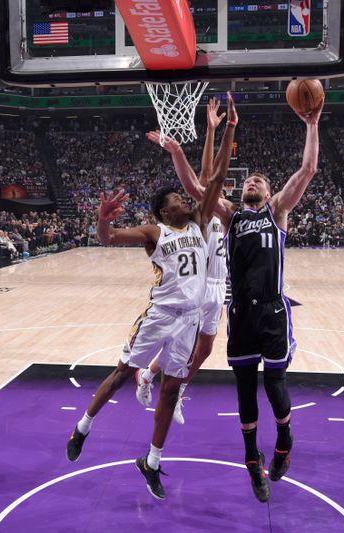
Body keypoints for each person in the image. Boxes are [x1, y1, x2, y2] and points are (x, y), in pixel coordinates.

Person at [66, 93, 237, 501]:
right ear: (163, 211)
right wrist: (102, 221)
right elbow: (108, 239)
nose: (185, 199)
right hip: (160, 314)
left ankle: (153, 461)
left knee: (171, 389)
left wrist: (228, 129)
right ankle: (83, 427)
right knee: (124, 373)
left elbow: (212, 179)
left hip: (190, 319)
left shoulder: (200, 220)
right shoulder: (153, 232)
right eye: (176, 198)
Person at [206, 93, 325, 502]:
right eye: (249, 180)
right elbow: (201, 185)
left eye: (261, 179)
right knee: (243, 390)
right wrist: (211, 133)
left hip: (273, 311)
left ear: (270, 191)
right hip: (239, 313)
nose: (253, 180)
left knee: (274, 384)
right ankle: (251, 461)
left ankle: (284, 442)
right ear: (241, 192)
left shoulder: (276, 211)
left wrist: (311, 125)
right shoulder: (231, 215)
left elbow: (308, 169)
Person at [135, 96, 230, 425]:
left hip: (220, 289)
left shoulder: (227, 210)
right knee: (181, 345)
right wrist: (211, 132)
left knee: (203, 351)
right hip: (199, 287)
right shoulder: (199, 213)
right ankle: (158, 382)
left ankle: (152, 377)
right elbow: (206, 172)